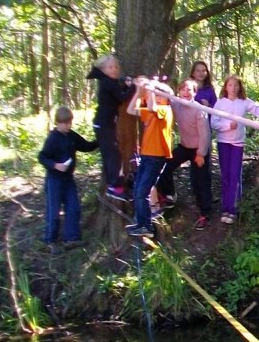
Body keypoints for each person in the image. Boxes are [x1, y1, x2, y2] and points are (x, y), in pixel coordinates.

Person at [211, 75, 259, 224]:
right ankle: (225, 208)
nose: (233, 88)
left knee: (235, 175)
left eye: (236, 85)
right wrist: (227, 126)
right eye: (230, 85)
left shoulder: (244, 102)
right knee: (226, 175)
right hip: (223, 142)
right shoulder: (220, 103)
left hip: (237, 144)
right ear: (225, 87)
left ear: (240, 87)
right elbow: (214, 123)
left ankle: (233, 210)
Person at [154, 79, 215, 230]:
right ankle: (169, 194)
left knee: (200, 181)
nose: (186, 93)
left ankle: (205, 213)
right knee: (164, 166)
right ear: (178, 92)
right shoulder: (176, 104)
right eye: (183, 90)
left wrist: (201, 154)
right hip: (184, 146)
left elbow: (205, 134)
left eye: (190, 90)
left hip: (199, 149)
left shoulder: (199, 109)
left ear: (195, 93)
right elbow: (163, 97)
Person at [37, 106, 98, 252]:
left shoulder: (71, 135)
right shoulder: (53, 138)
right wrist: (55, 165)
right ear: (58, 123)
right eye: (65, 123)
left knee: (73, 208)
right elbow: (42, 157)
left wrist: (101, 139)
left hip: (68, 180)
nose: (68, 126)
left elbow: (86, 146)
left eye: (70, 123)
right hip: (54, 180)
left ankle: (72, 238)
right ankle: (49, 240)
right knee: (54, 211)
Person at [126, 80, 174, 237]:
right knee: (137, 190)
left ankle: (146, 226)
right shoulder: (152, 109)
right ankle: (142, 223)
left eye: (160, 95)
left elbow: (153, 107)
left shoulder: (165, 110)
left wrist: (151, 89)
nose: (156, 97)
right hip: (146, 156)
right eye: (156, 95)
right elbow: (131, 109)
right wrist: (139, 92)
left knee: (142, 192)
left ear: (167, 99)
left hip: (157, 157)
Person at [86, 55, 135, 200]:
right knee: (113, 156)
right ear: (103, 69)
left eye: (116, 67)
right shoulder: (108, 83)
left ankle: (114, 185)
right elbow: (122, 98)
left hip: (105, 124)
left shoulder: (109, 82)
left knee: (111, 154)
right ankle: (115, 186)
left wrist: (126, 86)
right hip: (104, 125)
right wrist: (134, 87)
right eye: (110, 67)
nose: (114, 70)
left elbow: (117, 95)